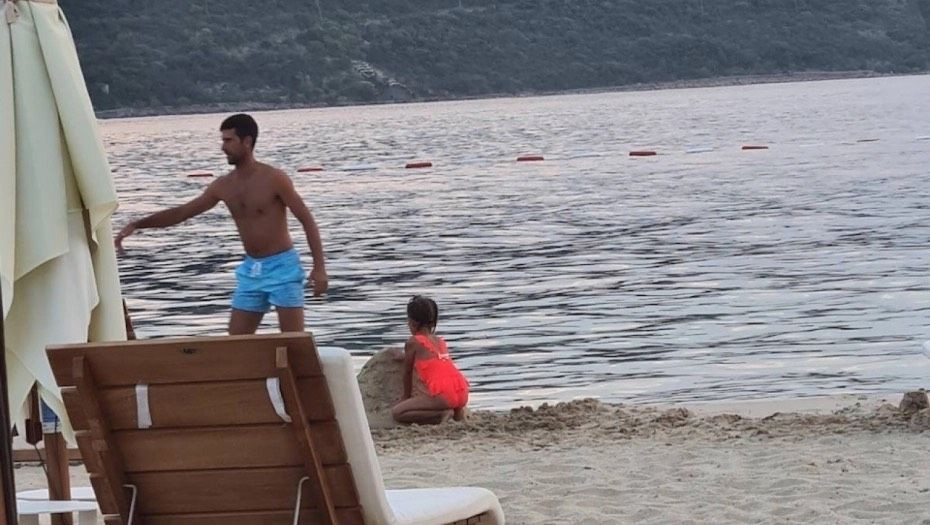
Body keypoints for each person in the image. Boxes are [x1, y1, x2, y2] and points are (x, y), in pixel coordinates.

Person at [114, 113, 327, 334]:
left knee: (293, 342)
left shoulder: (274, 178)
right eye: (223, 140)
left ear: (247, 141)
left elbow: (307, 220)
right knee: (235, 342)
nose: (223, 147)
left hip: (282, 268)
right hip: (251, 271)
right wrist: (137, 224)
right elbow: (183, 212)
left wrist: (319, 267)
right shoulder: (224, 185)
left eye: (228, 140)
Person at [392, 295, 469, 424]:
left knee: (398, 413)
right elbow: (431, 360)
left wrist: (406, 397)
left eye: (408, 320)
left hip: (444, 394)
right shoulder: (440, 341)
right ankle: (457, 412)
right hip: (461, 390)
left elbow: (408, 372)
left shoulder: (413, 342)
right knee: (449, 399)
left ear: (414, 323)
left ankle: (441, 415)